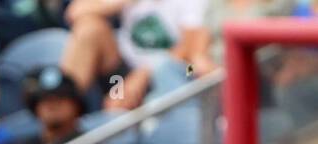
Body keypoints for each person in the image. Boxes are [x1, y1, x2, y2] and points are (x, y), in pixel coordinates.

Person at [61, 0, 214, 110]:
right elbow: (74, 12)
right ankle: (61, 112)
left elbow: (191, 50)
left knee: (190, 66)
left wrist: (145, 72)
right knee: (89, 28)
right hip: (121, 72)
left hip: (163, 75)